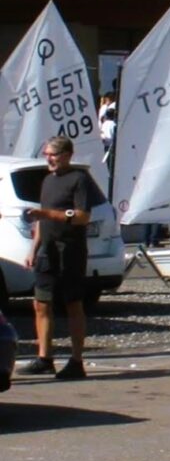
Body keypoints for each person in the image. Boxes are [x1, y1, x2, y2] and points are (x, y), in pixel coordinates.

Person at [22, 134, 104, 379]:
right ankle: (44, 357)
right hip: (47, 251)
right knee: (41, 303)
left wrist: (49, 213)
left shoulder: (78, 179)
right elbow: (41, 219)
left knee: (72, 304)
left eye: (53, 154)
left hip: (70, 250)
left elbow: (82, 216)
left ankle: (76, 361)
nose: (49, 158)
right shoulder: (47, 180)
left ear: (67, 155)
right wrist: (33, 249)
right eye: (46, 154)